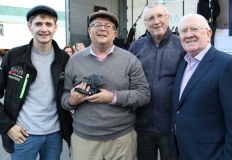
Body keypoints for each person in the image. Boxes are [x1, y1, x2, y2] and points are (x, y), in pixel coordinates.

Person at [61, 10, 150, 160]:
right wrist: (71, 101)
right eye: (97, 25)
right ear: (89, 31)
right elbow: (64, 96)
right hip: (84, 140)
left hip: (121, 139)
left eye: (108, 26)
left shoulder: (130, 60)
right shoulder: (74, 61)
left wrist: (113, 97)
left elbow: (144, 94)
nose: (103, 28)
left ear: (115, 34)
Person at [0, 5, 73, 160]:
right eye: (38, 24)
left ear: (55, 28)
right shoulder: (14, 57)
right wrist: (8, 126)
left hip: (54, 134)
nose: (44, 29)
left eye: (48, 24)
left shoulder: (64, 60)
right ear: (29, 26)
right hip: (23, 135)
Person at [171, 13, 232, 159]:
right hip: (183, 152)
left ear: (209, 33)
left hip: (211, 154)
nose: (189, 35)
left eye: (194, 29)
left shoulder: (227, 64)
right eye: (183, 31)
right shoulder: (183, 63)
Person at [129, 2, 185, 160]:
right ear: (145, 23)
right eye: (151, 18)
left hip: (171, 126)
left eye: (160, 16)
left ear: (168, 18)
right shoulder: (135, 47)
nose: (156, 21)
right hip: (142, 125)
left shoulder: (181, 46)